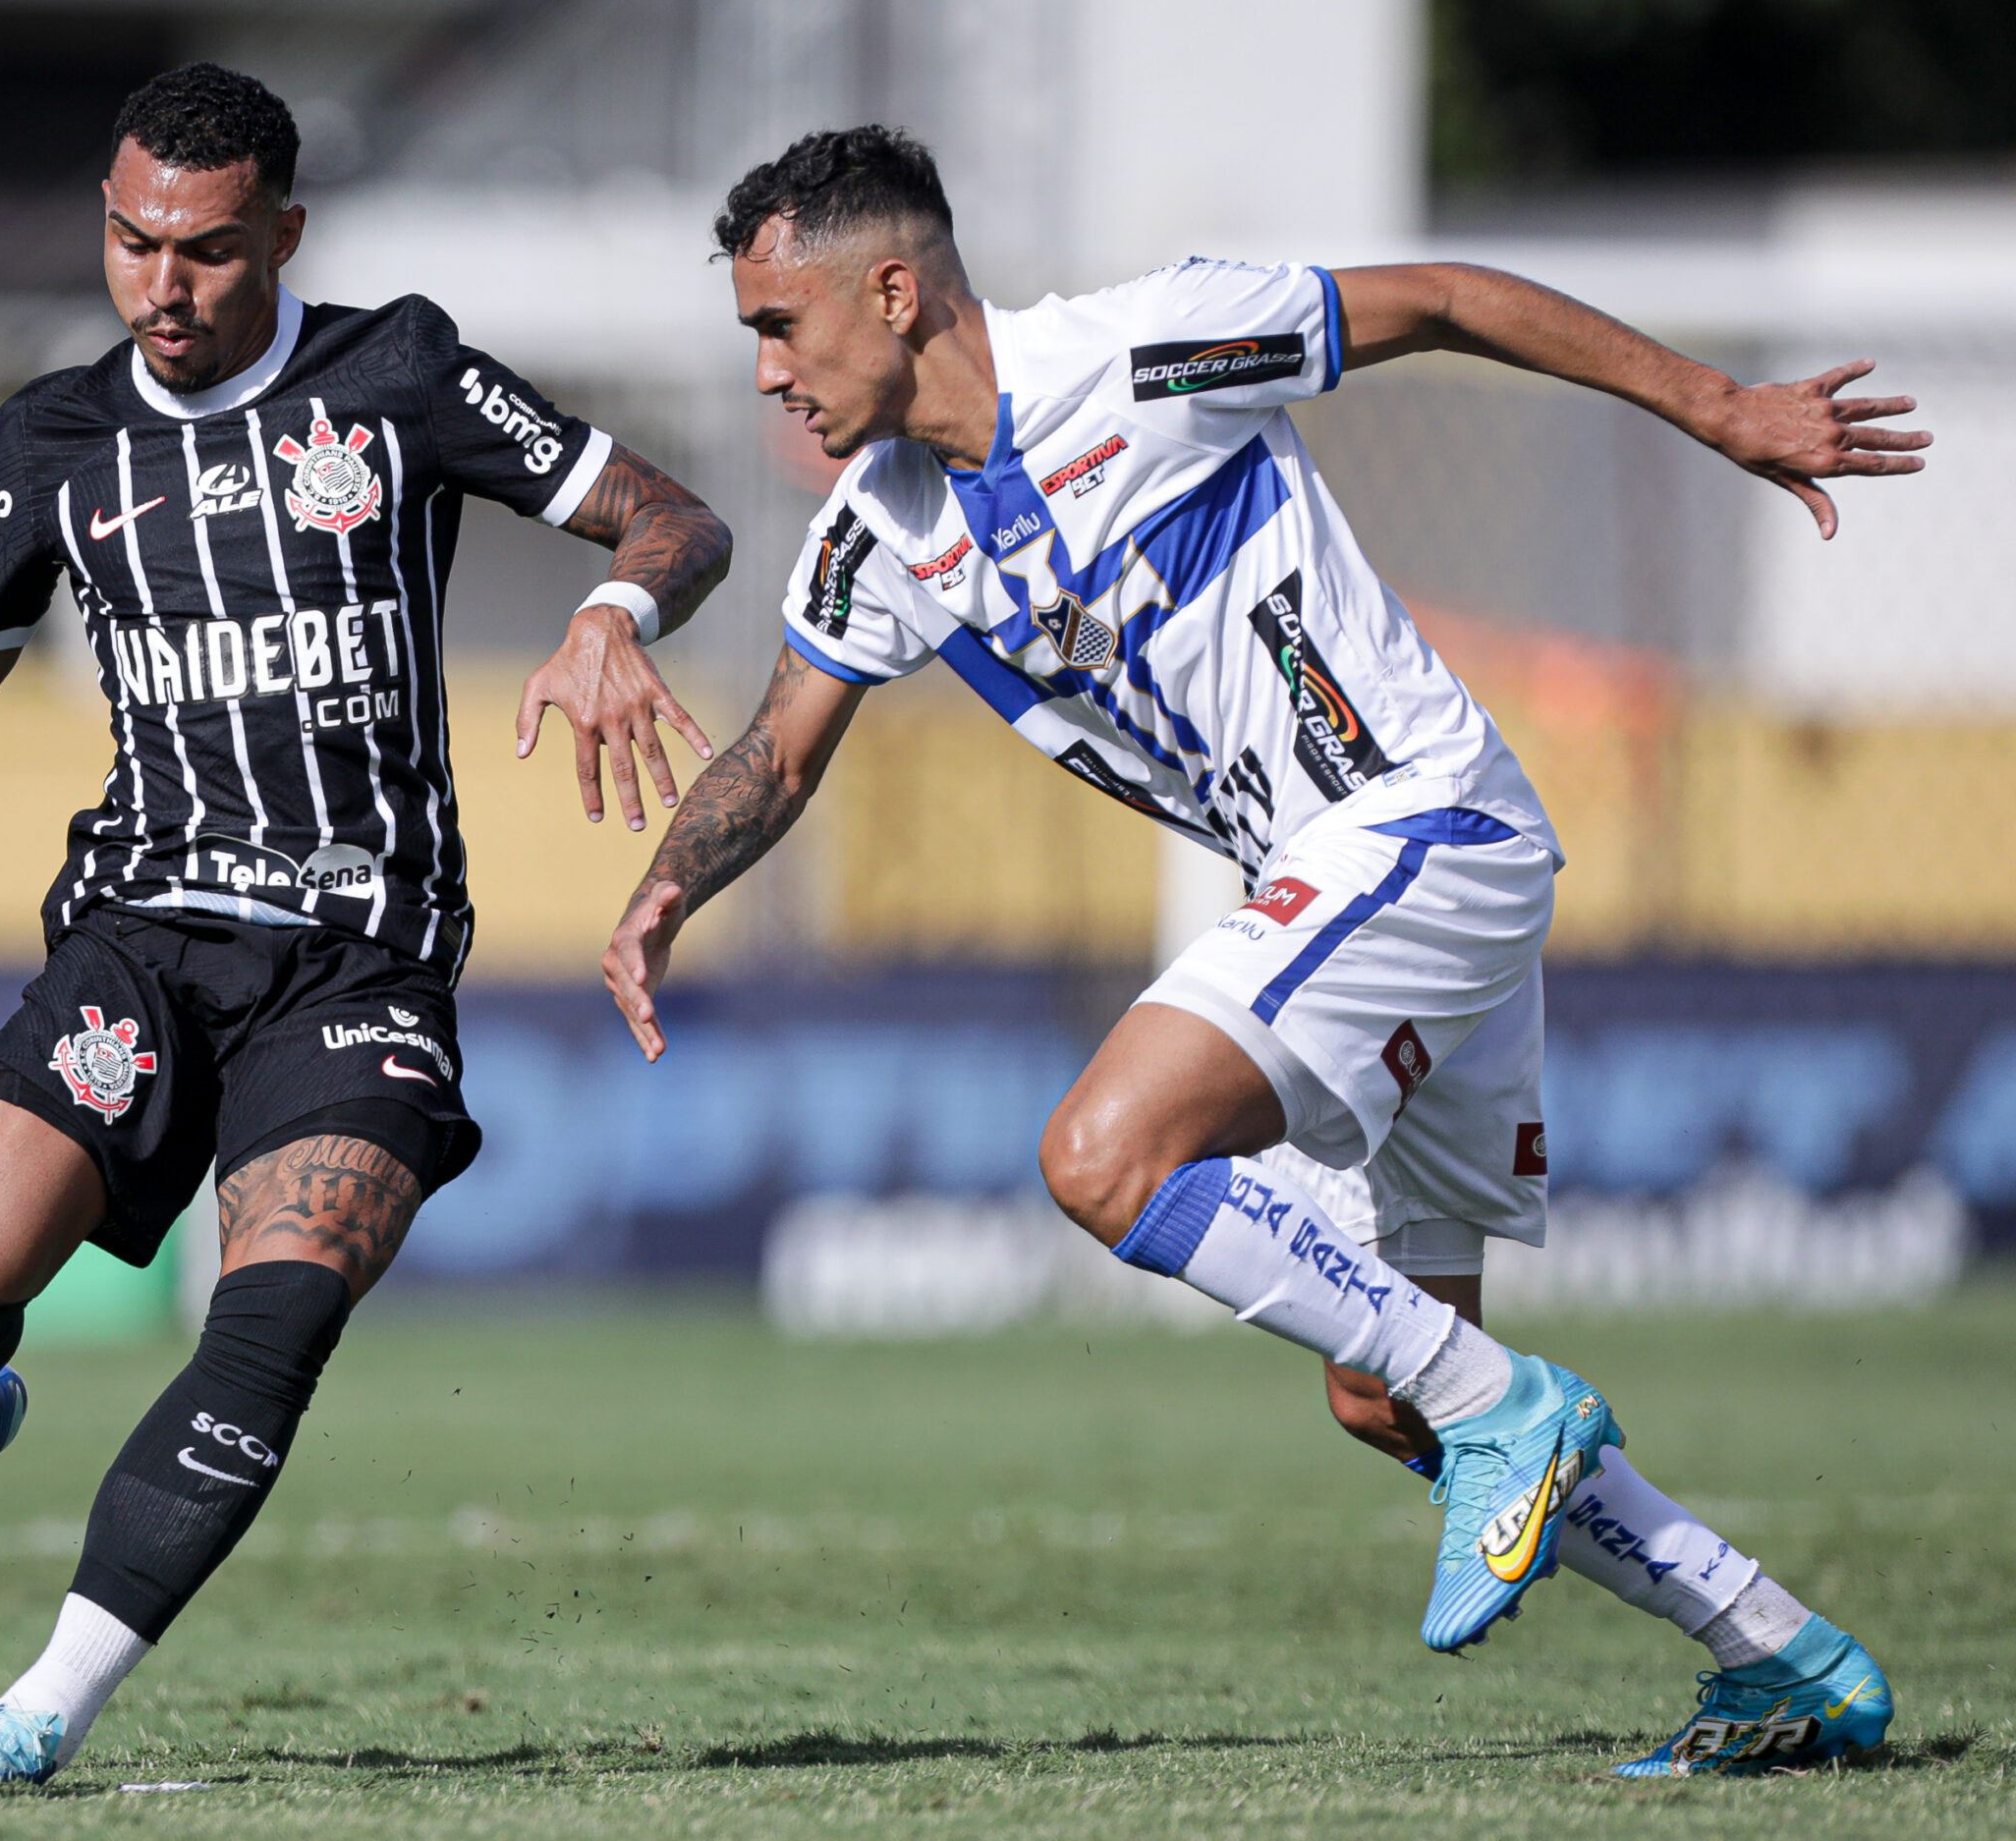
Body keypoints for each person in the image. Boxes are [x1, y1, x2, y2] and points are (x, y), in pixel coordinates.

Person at [602, 126, 1920, 1778]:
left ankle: (1516, 1408)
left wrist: (1721, 408)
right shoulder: (879, 537)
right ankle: (1779, 1651)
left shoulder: (1145, 352)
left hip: (1417, 824)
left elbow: (1438, 297)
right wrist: (663, 896)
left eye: (780, 328)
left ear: (895, 287)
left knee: (1103, 1152)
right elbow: (781, 754)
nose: (771, 376)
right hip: (1373, 885)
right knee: (1388, 1395)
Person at [0, 64, 732, 1789]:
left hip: (361, 958)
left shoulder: (396, 372)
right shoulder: (50, 441)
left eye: (202, 250)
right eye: (130, 243)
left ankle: (40, 1710)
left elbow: (678, 512)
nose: (162, 288)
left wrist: (613, 608)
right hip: (138, 939)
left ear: (282, 231)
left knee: (272, 1319)